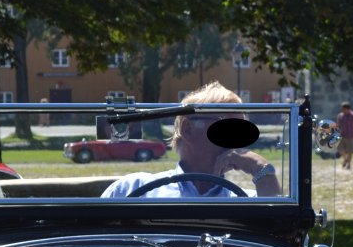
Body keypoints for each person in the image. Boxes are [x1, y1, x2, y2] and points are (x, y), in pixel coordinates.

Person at [103, 82, 281, 198]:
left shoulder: (245, 200)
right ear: (187, 129)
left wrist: (262, 169)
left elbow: (282, 239)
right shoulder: (132, 188)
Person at [336, 101, 353, 169]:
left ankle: (348, 164)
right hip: (342, 135)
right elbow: (338, 125)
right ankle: (346, 159)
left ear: (347, 108)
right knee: (340, 149)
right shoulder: (340, 116)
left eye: (343, 108)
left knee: (350, 151)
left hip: (350, 136)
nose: (342, 110)